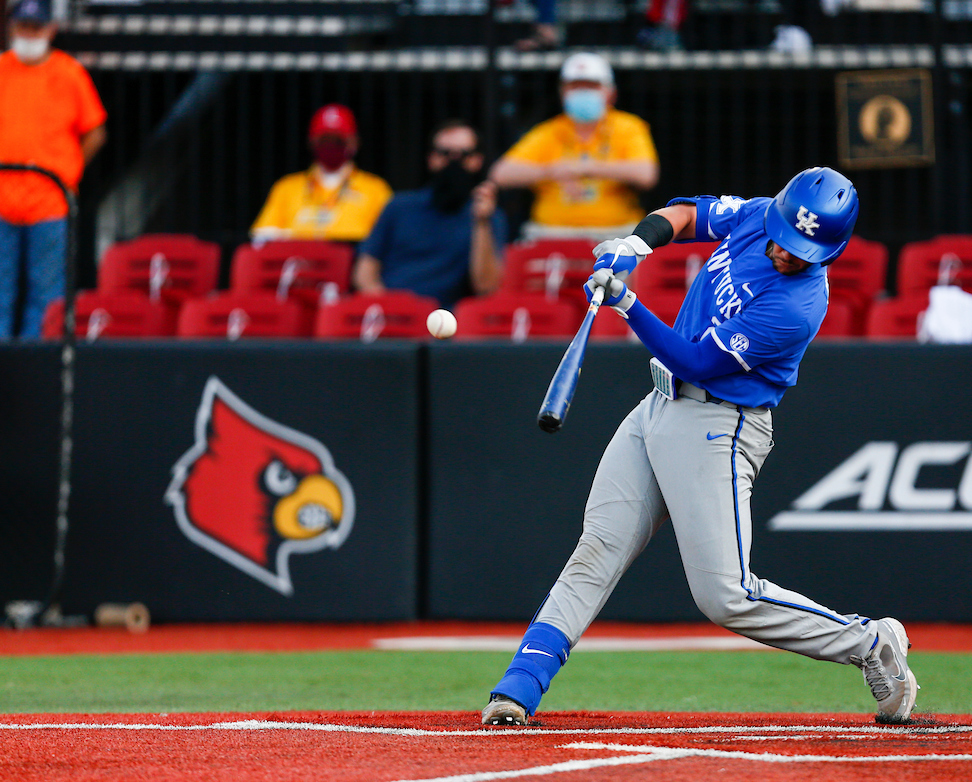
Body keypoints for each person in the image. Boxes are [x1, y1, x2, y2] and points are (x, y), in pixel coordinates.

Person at [481, 167, 919, 728]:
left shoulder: (797, 307)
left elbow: (698, 362)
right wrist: (636, 242)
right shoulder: (762, 212)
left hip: (720, 426)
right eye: (784, 239)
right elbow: (686, 213)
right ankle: (520, 686)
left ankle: (868, 642)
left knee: (726, 596)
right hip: (658, 406)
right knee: (598, 548)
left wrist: (627, 303)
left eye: (803, 251)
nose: (787, 253)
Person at [0, 0, 107, 338]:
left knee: (46, 297)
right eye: (22, 27)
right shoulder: (2, 69)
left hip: (49, 203)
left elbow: (95, 132)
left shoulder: (68, 73)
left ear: (50, 29)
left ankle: (38, 371)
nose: (28, 35)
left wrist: (68, 170)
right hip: (2, 201)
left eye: (35, 27)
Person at [489, 52, 659, 242]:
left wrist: (584, 168)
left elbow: (646, 174)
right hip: (551, 234)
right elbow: (500, 173)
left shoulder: (628, 127)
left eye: (591, 86)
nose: (583, 92)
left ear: (611, 93)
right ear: (562, 93)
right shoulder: (549, 130)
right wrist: (550, 171)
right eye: (575, 86)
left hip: (616, 233)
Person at [352, 121, 507, 309]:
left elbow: (486, 287)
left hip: (448, 324)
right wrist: (388, 308)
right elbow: (365, 272)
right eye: (445, 154)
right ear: (431, 159)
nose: (453, 162)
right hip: (393, 317)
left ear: (477, 160)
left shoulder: (488, 217)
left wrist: (481, 223)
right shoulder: (399, 206)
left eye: (464, 155)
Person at [250, 104, 392, 243]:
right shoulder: (287, 187)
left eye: (338, 140)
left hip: (352, 264)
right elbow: (262, 235)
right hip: (297, 264)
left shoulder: (375, 189)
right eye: (324, 139)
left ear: (353, 142)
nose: (330, 145)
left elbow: (388, 238)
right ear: (311, 142)